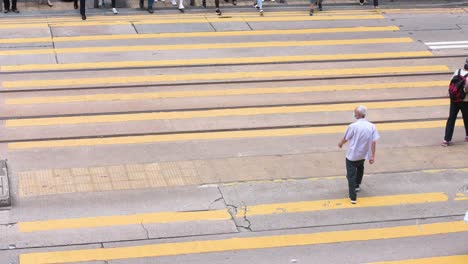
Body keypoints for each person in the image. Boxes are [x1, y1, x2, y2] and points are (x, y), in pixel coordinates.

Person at [338, 105, 380, 204]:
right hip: (363, 154)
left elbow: (346, 138)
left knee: (350, 175)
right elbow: (374, 142)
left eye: (355, 112)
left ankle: (353, 197)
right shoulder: (371, 126)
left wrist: (340, 144)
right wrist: (372, 156)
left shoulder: (353, 126)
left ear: (358, 114)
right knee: (360, 168)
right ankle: (357, 185)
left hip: (352, 155)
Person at [441, 59, 468, 147]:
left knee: (451, 119)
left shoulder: (458, 71)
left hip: (454, 99)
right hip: (464, 101)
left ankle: (446, 139)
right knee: (466, 118)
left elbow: (451, 82)